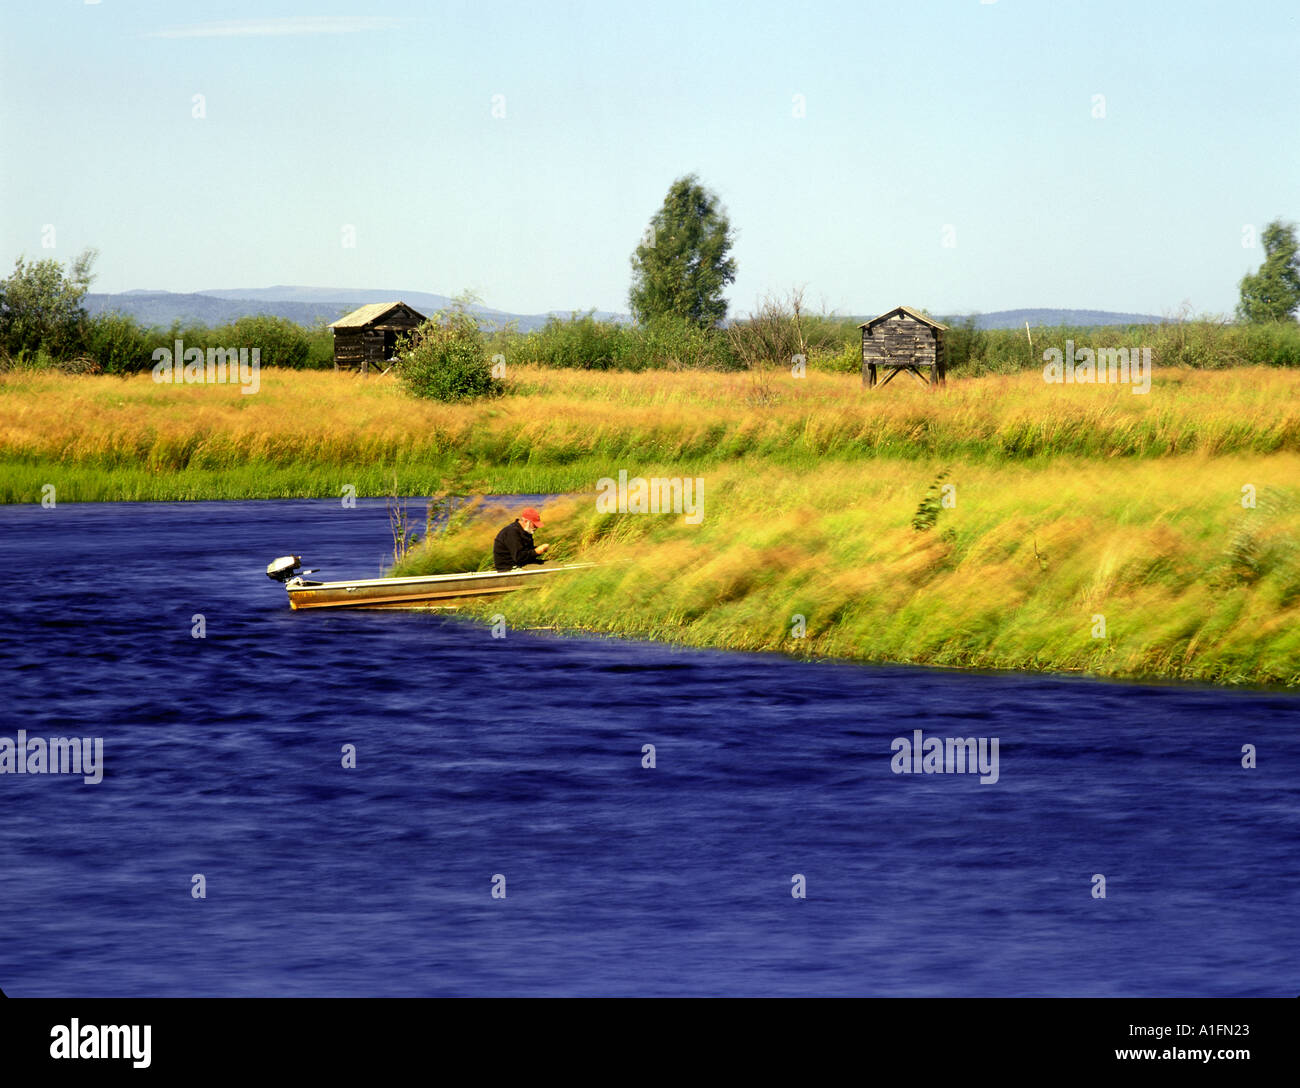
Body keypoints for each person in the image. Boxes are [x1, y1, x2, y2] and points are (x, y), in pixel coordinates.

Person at [493, 507, 551, 572]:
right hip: (509, 568)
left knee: (552, 563)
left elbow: (526, 552)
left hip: (522, 564)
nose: (536, 527)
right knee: (552, 567)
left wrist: (539, 549)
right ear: (526, 521)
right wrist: (536, 551)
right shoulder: (512, 532)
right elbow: (518, 557)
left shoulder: (526, 531)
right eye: (534, 525)